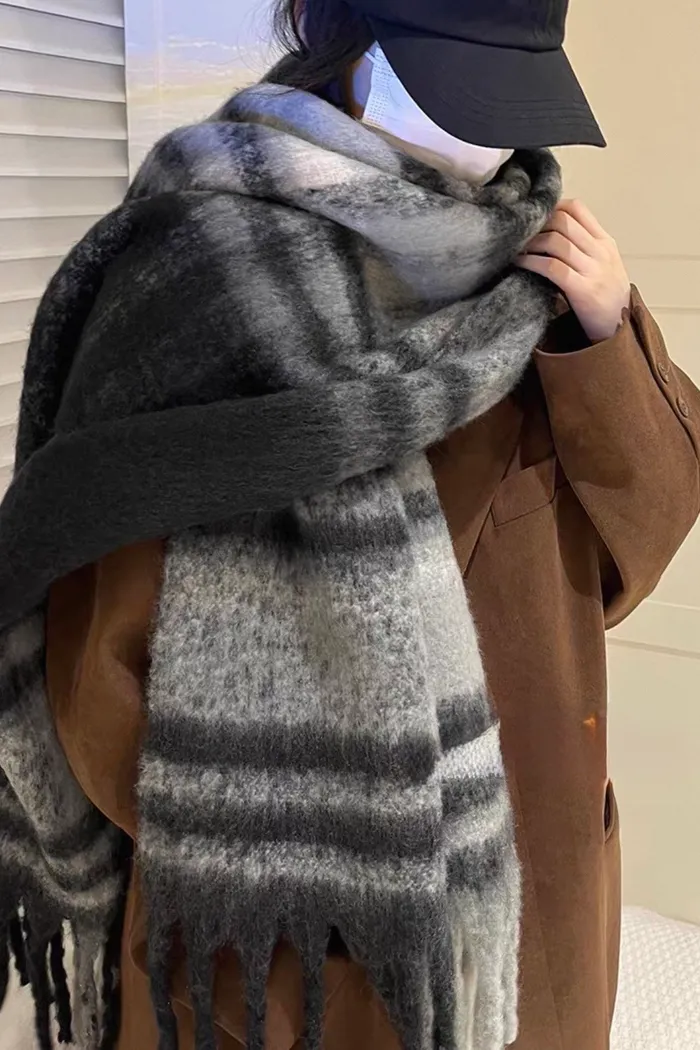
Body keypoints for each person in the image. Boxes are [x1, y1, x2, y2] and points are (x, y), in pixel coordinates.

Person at [0, 2, 698, 1049]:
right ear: (354, 47)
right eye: (463, 89)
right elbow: (94, 649)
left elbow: (622, 561)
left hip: (529, 889)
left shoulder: (537, 273)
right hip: (288, 930)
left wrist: (607, 341)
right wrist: (298, 852)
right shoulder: (201, 272)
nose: (494, 144)